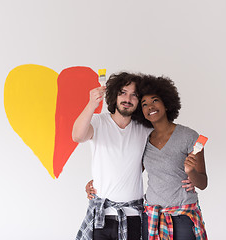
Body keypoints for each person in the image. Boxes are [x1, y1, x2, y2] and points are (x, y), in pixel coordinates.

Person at [74, 72, 194, 240]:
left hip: (133, 216)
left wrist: (189, 176)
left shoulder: (144, 129)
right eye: (123, 92)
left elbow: (166, 147)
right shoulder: (98, 122)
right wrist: (91, 105)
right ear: (114, 95)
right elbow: (77, 136)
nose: (127, 98)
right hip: (102, 215)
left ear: (138, 102)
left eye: (134, 95)